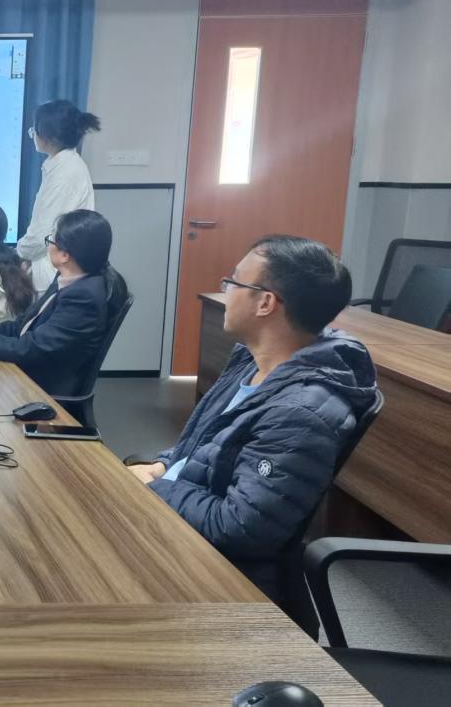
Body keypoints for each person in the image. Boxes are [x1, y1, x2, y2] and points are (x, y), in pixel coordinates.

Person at [127, 236, 377, 601]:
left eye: (233, 282)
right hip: (177, 524)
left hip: (214, 572)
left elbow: (240, 528)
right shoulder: (252, 364)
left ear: (265, 303)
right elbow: (205, 444)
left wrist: (157, 487)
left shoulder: (300, 413)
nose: (225, 290)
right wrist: (163, 465)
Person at [0, 209, 127, 397]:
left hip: (39, 388)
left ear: (65, 255)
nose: (48, 246)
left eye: (50, 240)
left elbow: (30, 349)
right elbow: (20, 327)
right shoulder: (68, 279)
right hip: (28, 373)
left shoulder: (83, 297)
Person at [15, 99, 100, 295]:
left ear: (47, 136)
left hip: (55, 273)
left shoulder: (65, 174)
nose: (32, 134)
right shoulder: (62, 165)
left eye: (34, 130)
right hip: (52, 269)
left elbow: (42, 234)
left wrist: (17, 255)